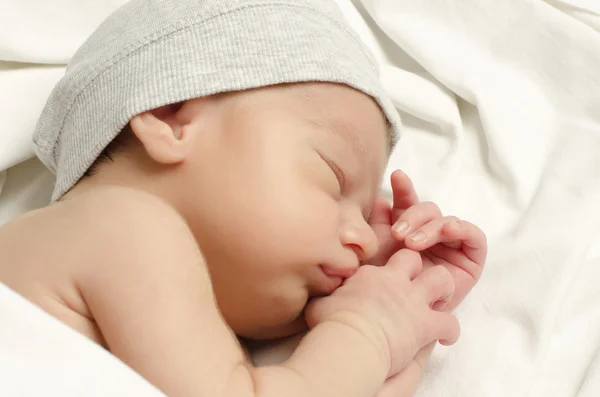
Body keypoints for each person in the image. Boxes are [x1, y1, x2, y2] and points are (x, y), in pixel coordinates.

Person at [0, 0, 487, 396]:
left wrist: (408, 308)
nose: (361, 237)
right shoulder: (119, 226)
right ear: (172, 117)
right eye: (334, 177)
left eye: (363, 214)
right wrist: (369, 333)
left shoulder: (187, 352)